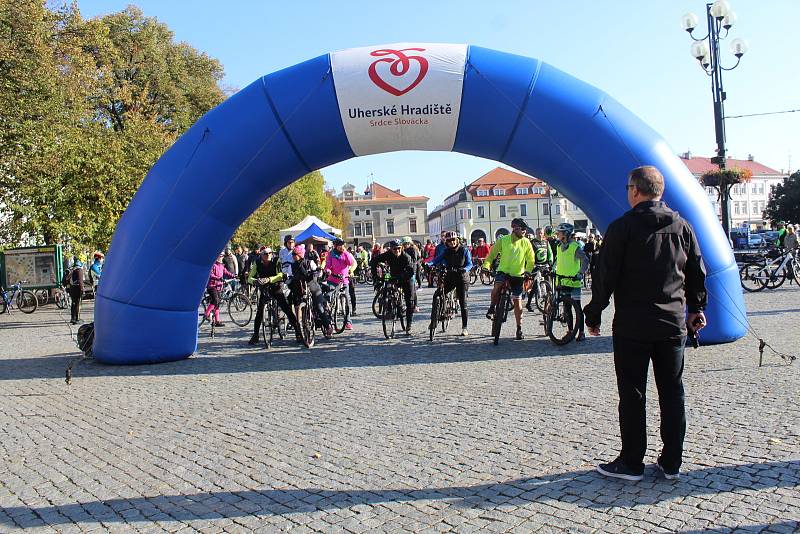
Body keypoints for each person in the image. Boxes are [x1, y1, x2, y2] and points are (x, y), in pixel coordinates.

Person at [584, 165, 707, 481]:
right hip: (672, 324)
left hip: (633, 326)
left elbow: (605, 276)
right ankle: (671, 462)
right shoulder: (683, 227)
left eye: (628, 187)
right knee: (672, 392)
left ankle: (632, 462)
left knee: (633, 394)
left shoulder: (622, 228)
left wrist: (594, 313)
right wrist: (697, 309)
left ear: (635, 190)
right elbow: (697, 271)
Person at [483, 218, 535, 340]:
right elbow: (491, 255)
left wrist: (528, 271)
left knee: (517, 302)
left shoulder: (526, 242)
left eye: (525, 230)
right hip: (503, 271)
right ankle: (492, 307)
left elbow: (531, 259)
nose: (524, 232)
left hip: (518, 275)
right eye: (522, 230)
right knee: (497, 286)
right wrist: (486, 266)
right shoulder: (503, 240)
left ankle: (519, 328)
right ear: (515, 229)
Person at [248, 248, 302, 344]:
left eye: (270, 253)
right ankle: (255, 335)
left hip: (276, 286)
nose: (268, 255)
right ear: (261, 255)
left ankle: (298, 332)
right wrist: (255, 281)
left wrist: (269, 279)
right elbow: (250, 278)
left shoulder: (276, 260)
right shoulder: (257, 262)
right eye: (265, 253)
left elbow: (280, 275)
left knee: (286, 308)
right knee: (260, 311)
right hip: (264, 287)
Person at [428, 231, 472, 335]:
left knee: (463, 302)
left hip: (462, 278)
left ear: (457, 240)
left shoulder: (464, 250)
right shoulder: (446, 251)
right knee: (437, 294)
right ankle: (434, 320)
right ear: (446, 242)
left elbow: (470, 263)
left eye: (453, 240)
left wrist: (465, 269)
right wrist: (428, 264)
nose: (451, 242)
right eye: (449, 241)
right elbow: (436, 259)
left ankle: (464, 327)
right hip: (450, 277)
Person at [553, 222, 590, 341]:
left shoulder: (575, 247)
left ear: (565, 234)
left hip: (574, 282)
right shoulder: (559, 246)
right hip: (563, 281)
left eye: (559, 232)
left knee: (577, 309)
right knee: (567, 308)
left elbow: (585, 260)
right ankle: (570, 331)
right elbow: (558, 260)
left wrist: (580, 273)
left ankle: (582, 332)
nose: (557, 234)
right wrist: (552, 269)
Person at [370, 239, 416, 333]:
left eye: (399, 248)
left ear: (401, 248)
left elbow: (411, 271)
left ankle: (409, 324)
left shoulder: (406, 257)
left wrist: (399, 277)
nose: (397, 251)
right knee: (387, 286)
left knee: (409, 302)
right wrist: (376, 276)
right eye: (394, 249)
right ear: (391, 249)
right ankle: (390, 306)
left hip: (406, 278)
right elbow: (374, 261)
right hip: (394, 276)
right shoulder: (388, 254)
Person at [288, 245, 333, 336]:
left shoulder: (310, 262)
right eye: (292, 254)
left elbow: (318, 272)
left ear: (300, 254)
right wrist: (286, 278)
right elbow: (288, 275)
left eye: (294, 254)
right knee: (295, 305)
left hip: (313, 288)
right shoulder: (292, 265)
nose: (293, 256)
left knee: (319, 307)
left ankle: (328, 326)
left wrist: (318, 272)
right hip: (300, 289)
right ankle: (299, 332)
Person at [325, 238, 356, 329]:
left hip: (344, 280)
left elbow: (350, 263)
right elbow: (327, 265)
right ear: (335, 246)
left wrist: (345, 253)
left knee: (346, 301)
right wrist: (327, 270)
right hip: (333, 280)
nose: (341, 247)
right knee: (329, 297)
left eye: (342, 245)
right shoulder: (331, 254)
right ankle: (328, 318)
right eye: (339, 245)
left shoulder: (345, 253)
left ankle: (348, 322)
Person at [525, 228, 554, 312]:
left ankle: (549, 302)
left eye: (541, 233)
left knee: (548, 283)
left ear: (543, 233)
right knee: (535, 285)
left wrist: (551, 261)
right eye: (538, 233)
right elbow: (529, 253)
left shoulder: (546, 242)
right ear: (536, 234)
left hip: (545, 265)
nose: (540, 235)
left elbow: (550, 253)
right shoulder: (532, 242)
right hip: (536, 265)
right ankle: (529, 303)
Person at [204, 252, 236, 327]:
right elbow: (211, 274)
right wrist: (218, 278)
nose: (221, 257)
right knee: (215, 300)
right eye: (220, 256)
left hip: (219, 286)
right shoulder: (213, 265)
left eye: (222, 256)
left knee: (217, 304)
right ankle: (206, 314)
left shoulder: (221, 266)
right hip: (212, 286)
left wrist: (233, 276)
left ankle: (217, 321)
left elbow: (226, 272)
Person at [65, 257, 85, 325]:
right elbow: (80, 281)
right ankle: (77, 318)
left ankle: (72, 318)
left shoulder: (71, 269)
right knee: (78, 303)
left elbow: (66, 280)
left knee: (73, 303)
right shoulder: (79, 270)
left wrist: (68, 288)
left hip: (71, 288)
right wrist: (82, 289)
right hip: (77, 288)